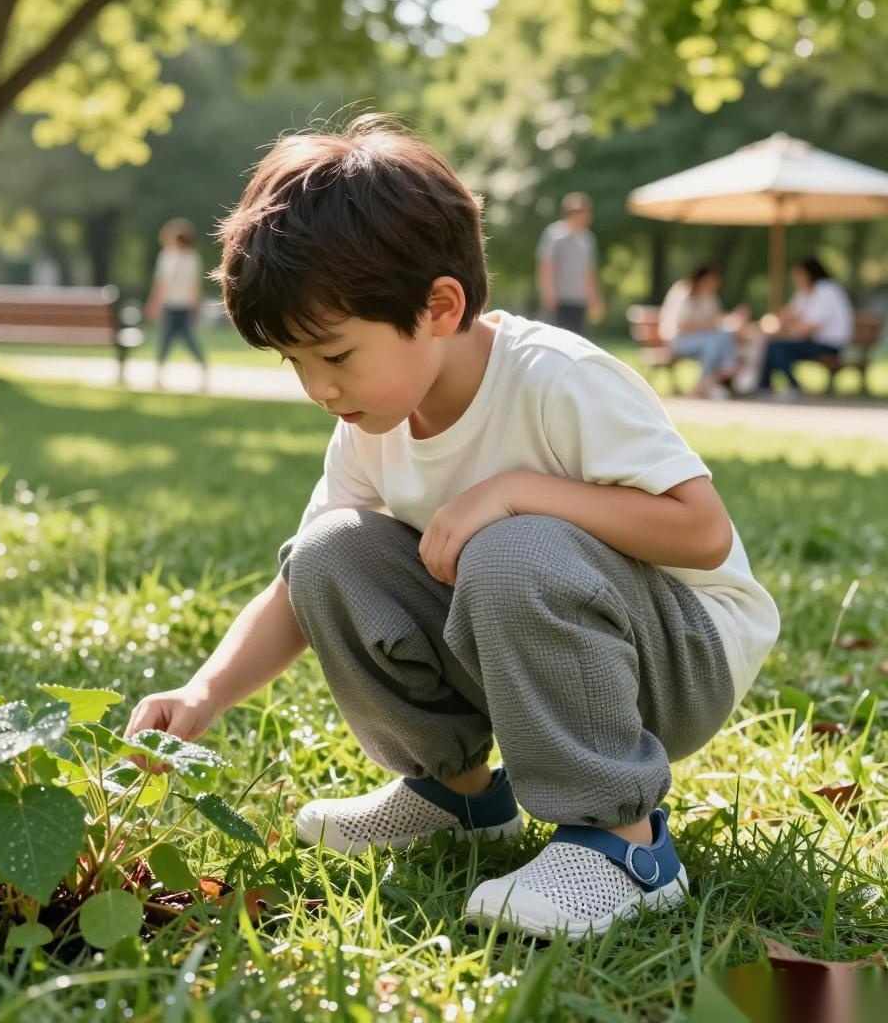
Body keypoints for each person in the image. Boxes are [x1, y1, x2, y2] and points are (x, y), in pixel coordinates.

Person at [124, 116, 779, 941]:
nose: (317, 388)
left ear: (439, 306)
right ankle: (460, 799)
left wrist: (516, 492)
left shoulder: (558, 381)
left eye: (334, 355)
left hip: (677, 662)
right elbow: (299, 592)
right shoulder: (371, 418)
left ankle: (626, 845)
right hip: (530, 646)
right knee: (327, 555)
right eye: (295, 363)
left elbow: (701, 532)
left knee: (511, 547)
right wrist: (205, 691)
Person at [750, 257, 854, 400]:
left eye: (798, 275)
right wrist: (769, 323)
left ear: (810, 274)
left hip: (829, 345)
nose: (796, 280)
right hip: (813, 342)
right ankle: (764, 387)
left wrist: (784, 328)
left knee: (776, 347)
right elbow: (788, 315)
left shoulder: (826, 291)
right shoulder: (805, 292)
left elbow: (809, 327)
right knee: (772, 344)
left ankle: (792, 386)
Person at [658, 264, 749, 399]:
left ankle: (717, 378)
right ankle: (716, 378)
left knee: (722, 338)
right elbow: (681, 326)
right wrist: (710, 326)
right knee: (713, 342)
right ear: (702, 278)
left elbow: (717, 320)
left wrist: (733, 319)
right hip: (678, 341)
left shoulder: (710, 297)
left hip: (704, 340)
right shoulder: (683, 291)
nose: (715, 284)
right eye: (712, 280)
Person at [145, 217, 208, 389]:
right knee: (185, 340)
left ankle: (159, 376)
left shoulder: (167, 257)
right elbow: (195, 287)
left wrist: (153, 304)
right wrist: (196, 307)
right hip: (182, 305)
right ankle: (202, 369)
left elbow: (161, 285)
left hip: (173, 305)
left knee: (167, 340)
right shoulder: (193, 258)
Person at [536, 192, 604, 334]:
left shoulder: (588, 239)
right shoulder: (554, 235)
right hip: (560, 300)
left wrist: (594, 298)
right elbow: (546, 266)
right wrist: (548, 294)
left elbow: (589, 271)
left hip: (579, 300)